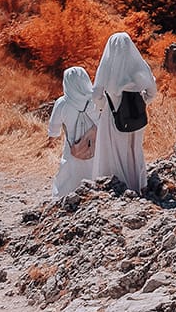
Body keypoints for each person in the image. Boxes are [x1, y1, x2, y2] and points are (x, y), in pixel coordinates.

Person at [90, 32, 157, 193]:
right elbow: (152, 92)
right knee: (134, 149)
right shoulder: (139, 66)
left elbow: (96, 94)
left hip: (112, 113)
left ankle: (119, 186)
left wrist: (103, 106)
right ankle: (139, 184)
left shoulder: (107, 66)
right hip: (136, 114)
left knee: (115, 151)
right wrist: (141, 102)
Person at [46, 66, 100, 199]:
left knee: (69, 173)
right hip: (96, 146)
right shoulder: (95, 100)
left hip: (72, 149)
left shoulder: (62, 103)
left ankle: (66, 198)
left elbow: (54, 128)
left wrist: (50, 141)